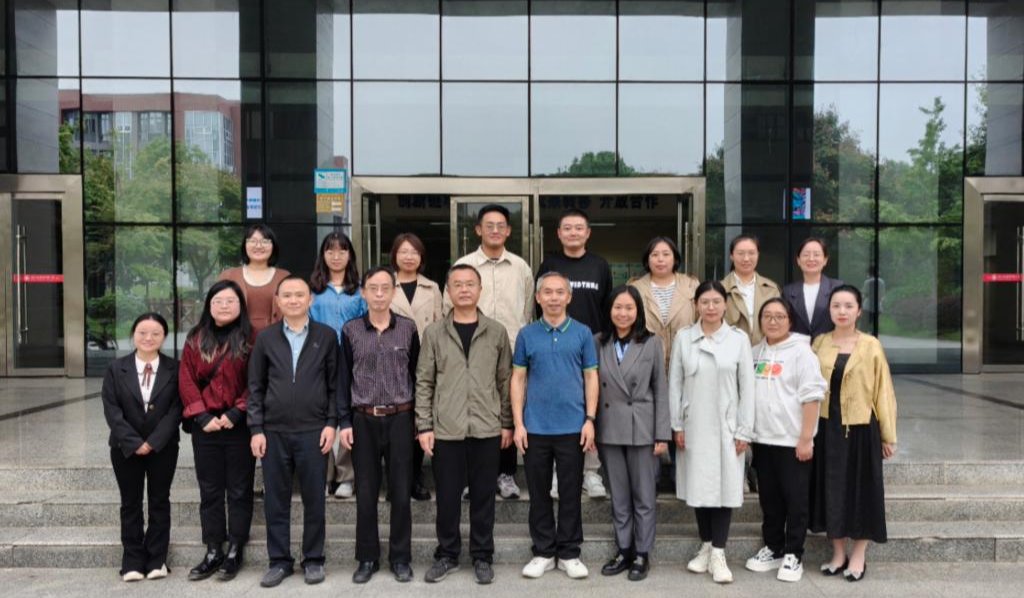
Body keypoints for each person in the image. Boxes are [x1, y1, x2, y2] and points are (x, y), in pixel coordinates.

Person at [416, 264, 513, 585]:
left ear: (480, 289)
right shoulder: (434, 333)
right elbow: (424, 381)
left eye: (470, 284)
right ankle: (447, 554)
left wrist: (507, 423)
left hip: (487, 428)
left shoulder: (496, 332)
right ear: (448, 291)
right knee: (447, 497)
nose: (464, 289)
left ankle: (482, 555)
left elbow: (505, 380)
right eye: (457, 284)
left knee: (484, 496)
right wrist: (424, 426)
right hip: (447, 429)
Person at [248, 275, 338, 587]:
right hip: (274, 432)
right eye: (287, 295)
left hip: (314, 430)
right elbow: (255, 386)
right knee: (276, 500)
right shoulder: (266, 338)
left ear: (310, 299)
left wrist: (331, 423)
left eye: (300, 294)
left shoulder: (326, 336)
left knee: (315, 499)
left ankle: (313, 559)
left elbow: (334, 385)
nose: (294, 300)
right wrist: (256, 428)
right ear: (278, 300)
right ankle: (279, 561)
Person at [512, 272, 598, 580]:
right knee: (538, 493)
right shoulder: (526, 334)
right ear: (537, 297)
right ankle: (544, 552)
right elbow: (518, 378)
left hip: (573, 427)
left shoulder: (583, 333)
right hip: (535, 427)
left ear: (569, 297)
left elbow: (591, 376)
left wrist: (590, 419)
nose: (553, 297)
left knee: (571, 493)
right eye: (547, 292)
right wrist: (518, 423)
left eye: (559, 292)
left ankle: (570, 553)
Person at [338, 266, 420, 584]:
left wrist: (419, 422)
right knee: (366, 492)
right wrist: (345, 421)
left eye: (386, 287)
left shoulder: (408, 329)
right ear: (363, 292)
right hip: (363, 419)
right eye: (373, 288)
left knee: (400, 492)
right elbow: (343, 379)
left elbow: (417, 376)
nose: (380, 294)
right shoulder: (350, 331)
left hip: (401, 418)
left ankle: (400, 558)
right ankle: (367, 558)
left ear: (394, 291)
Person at [810, 285, 898, 583]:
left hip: (861, 428)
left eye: (849, 306)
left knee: (863, 490)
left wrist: (888, 435)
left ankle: (859, 553)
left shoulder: (870, 345)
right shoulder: (820, 343)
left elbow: (883, 390)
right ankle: (837, 553)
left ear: (859, 311)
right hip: (827, 427)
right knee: (831, 489)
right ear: (829, 310)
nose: (842, 311)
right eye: (836, 305)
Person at [670, 280, 754, 585]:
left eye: (716, 301)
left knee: (724, 490)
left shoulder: (738, 339)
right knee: (698, 488)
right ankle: (706, 546)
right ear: (696, 305)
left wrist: (744, 429)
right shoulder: (684, 338)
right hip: (693, 425)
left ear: (725, 305)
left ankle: (719, 552)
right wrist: (676, 425)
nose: (710, 307)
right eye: (704, 301)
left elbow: (748, 387)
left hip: (727, 427)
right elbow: (675, 383)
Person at [449, 204, 533, 500]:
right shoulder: (464, 264)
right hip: (473, 347)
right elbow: (453, 304)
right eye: (489, 225)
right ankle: (470, 477)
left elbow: (527, 309)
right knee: (472, 406)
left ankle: (506, 473)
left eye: (501, 226)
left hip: (511, 346)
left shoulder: (521, 267)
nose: (495, 230)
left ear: (508, 231)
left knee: (508, 405)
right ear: (478, 230)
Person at [743, 298, 826, 583]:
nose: (773, 321)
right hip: (763, 440)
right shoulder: (754, 352)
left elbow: (812, 397)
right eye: (767, 316)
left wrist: (806, 438)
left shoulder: (802, 353)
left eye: (780, 316)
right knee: (770, 500)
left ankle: (794, 553)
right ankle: (774, 547)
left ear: (790, 321)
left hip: (793, 441)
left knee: (796, 500)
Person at [179, 281, 256, 582]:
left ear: (241, 306)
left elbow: (257, 380)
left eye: (230, 301)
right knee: (209, 490)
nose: (224, 306)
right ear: (209, 305)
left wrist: (237, 411)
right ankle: (213, 548)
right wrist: (201, 416)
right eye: (218, 301)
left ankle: (236, 547)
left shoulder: (251, 338)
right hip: (206, 427)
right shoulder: (195, 338)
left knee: (239, 489)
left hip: (238, 426)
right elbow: (186, 380)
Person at [594, 286, 670, 582]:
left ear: (638, 311)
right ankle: (623, 549)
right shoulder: (598, 341)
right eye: (617, 307)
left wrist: (661, 433)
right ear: (609, 310)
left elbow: (660, 389)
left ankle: (642, 552)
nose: (623, 313)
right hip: (609, 426)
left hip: (643, 427)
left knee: (644, 495)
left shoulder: (651, 343)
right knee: (619, 495)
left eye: (629, 308)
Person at [536, 208, 612, 499]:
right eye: (567, 228)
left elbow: (607, 308)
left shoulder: (599, 265)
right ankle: (561, 471)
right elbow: (538, 305)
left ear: (588, 233)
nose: (573, 233)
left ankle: (591, 471)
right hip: (555, 343)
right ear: (559, 233)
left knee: (591, 406)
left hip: (591, 343)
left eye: (579, 228)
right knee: (560, 402)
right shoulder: (550, 264)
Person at [101, 312, 181, 582]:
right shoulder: (116, 368)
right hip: (125, 448)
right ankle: (132, 561)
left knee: (159, 501)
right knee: (130, 503)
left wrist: (153, 442)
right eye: (142, 333)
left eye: (155, 333)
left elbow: (176, 409)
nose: (148, 338)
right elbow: (112, 410)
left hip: (163, 447)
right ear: (133, 335)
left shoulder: (175, 368)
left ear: (164, 337)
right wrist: (134, 442)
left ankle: (157, 559)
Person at [309, 231, 366, 500]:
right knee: (321, 414)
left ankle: (346, 476)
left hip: (352, 359)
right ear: (323, 255)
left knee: (348, 415)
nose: (336, 256)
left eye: (342, 251)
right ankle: (324, 474)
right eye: (330, 251)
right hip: (319, 358)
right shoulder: (313, 291)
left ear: (350, 255)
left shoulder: (360, 291)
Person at [389, 232, 443, 501]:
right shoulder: (385, 284)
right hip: (391, 362)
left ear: (421, 257)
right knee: (396, 422)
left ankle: (416, 477)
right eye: (404, 251)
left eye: (414, 252)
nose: (409, 257)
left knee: (420, 418)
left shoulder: (432, 288)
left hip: (424, 360)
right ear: (394, 255)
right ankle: (396, 480)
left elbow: (440, 324)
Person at [629, 236, 700, 370]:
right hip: (646, 365)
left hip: (686, 363)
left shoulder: (691, 285)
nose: (660, 259)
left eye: (666, 254)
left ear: (675, 258)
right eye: (655, 255)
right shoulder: (635, 288)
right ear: (647, 259)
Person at [219, 224, 291, 334]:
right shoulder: (228, 276)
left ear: (273, 246)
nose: (258, 246)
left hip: (276, 338)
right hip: (235, 338)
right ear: (245, 245)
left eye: (265, 241)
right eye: (253, 241)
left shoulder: (284, 276)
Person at [721, 234, 780, 346]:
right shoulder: (720, 290)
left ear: (758, 255)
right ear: (731, 256)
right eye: (740, 253)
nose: (746, 258)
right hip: (731, 351)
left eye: (751, 253)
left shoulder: (771, 289)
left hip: (765, 351)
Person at [782, 238, 844, 340]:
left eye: (816, 254)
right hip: (797, 347)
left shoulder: (838, 288)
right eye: (806, 255)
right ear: (798, 260)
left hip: (829, 345)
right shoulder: (788, 291)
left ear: (825, 260)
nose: (811, 259)